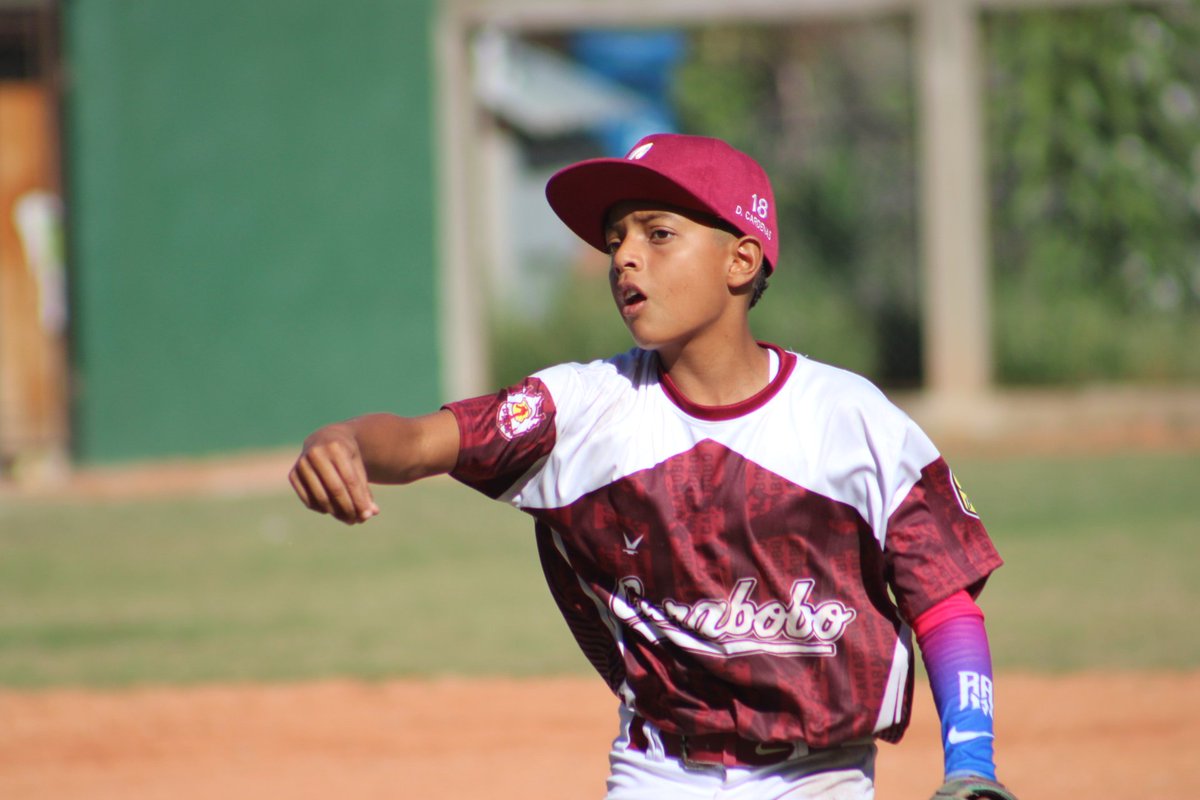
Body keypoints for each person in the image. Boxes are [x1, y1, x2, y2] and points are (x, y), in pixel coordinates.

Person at [289, 133, 1018, 800]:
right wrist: (344, 440)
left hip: (821, 779)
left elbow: (941, 599)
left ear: (741, 260)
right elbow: (421, 442)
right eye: (617, 240)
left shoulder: (850, 419)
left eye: (658, 234)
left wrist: (972, 763)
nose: (625, 258)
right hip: (656, 771)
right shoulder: (580, 409)